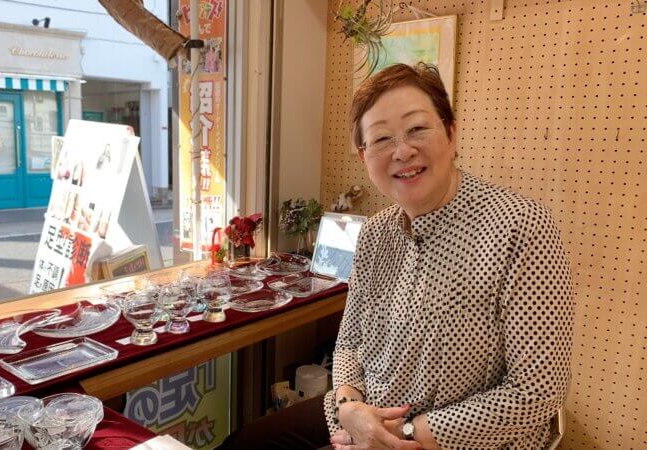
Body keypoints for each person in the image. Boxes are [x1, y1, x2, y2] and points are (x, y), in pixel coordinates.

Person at [218, 62, 575, 450]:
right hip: (368, 410)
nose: (402, 151)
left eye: (417, 129)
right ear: (364, 156)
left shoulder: (520, 226)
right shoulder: (375, 232)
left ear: (451, 134)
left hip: (458, 436)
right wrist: (350, 407)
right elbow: (350, 341)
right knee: (244, 444)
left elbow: (537, 391)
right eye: (382, 139)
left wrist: (399, 434)